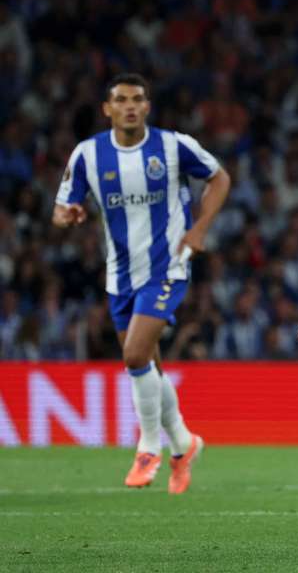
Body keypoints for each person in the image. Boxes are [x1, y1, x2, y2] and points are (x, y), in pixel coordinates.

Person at [53, 73, 231, 493]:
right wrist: (68, 215)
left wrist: (200, 229)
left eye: (137, 99)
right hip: (120, 274)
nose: (130, 106)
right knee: (147, 365)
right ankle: (185, 443)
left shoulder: (172, 146)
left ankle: (150, 446)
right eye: (121, 99)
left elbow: (219, 178)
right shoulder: (88, 155)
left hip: (168, 266)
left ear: (147, 106)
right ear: (108, 108)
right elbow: (62, 208)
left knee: (134, 355)